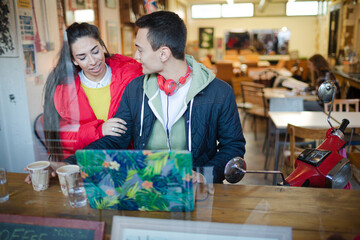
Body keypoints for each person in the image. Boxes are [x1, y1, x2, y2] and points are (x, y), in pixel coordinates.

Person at [63, 11, 246, 184]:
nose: (136, 56)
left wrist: (205, 175)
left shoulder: (220, 93)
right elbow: (116, 139)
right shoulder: (135, 89)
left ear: (164, 53)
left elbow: (233, 147)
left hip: (197, 192)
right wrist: (70, 163)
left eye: (140, 50)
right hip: (146, 189)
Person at [43, 22, 143, 161]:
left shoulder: (131, 75)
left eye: (95, 51)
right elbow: (61, 136)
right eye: (82, 57)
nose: (92, 61)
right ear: (74, 60)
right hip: (88, 165)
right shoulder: (64, 91)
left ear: (102, 47)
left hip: (128, 161)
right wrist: (99, 131)